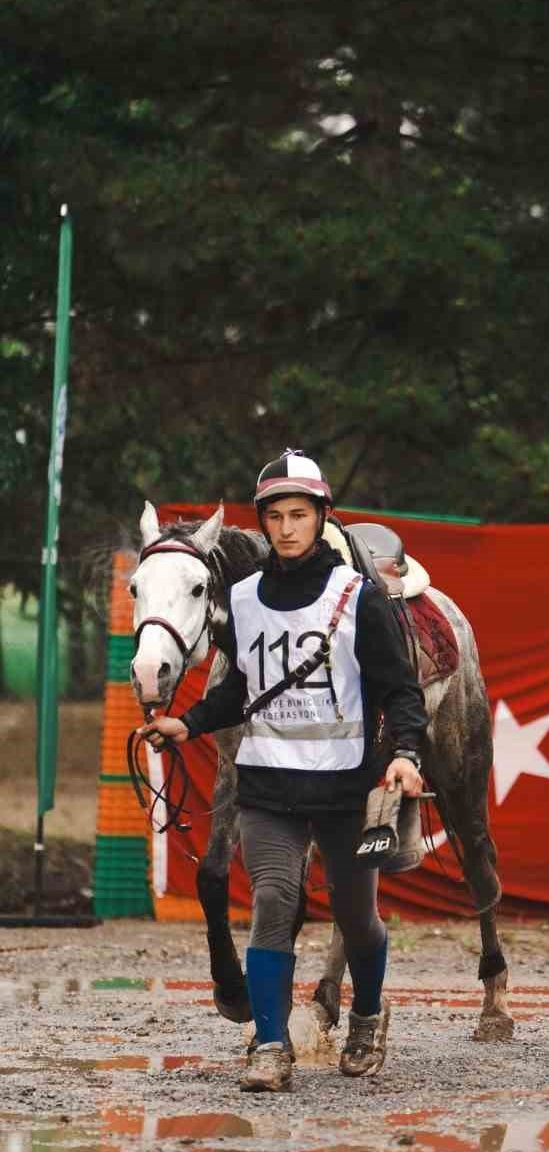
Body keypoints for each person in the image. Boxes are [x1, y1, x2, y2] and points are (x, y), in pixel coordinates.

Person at [139, 449, 427, 1093]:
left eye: (300, 514)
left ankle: (368, 1015)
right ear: (263, 523)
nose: (288, 527)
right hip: (267, 785)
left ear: (320, 517)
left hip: (345, 787)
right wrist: (189, 722)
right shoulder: (242, 598)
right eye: (276, 516)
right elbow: (242, 686)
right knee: (273, 902)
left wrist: (405, 752)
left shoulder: (358, 596)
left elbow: (399, 689)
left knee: (357, 920)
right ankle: (271, 1046)